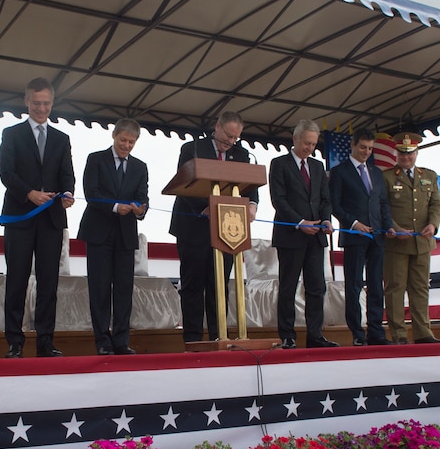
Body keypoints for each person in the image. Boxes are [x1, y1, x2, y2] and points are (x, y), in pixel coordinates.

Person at [0, 77, 75, 358]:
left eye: (46, 104)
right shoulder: (12, 134)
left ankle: (45, 341)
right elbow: (6, 172)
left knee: (48, 283)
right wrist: (29, 193)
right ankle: (15, 342)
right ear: (26, 101)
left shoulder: (61, 139)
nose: (41, 108)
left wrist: (67, 194)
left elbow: (67, 173)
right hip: (20, 217)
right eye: (36, 103)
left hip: (51, 221)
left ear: (52, 103)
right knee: (16, 281)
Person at [169, 111, 258, 343]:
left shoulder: (241, 154)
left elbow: (250, 185)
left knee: (219, 284)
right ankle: (194, 339)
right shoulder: (192, 149)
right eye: (227, 136)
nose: (230, 142)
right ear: (217, 127)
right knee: (193, 284)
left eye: (235, 138)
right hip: (193, 226)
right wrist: (206, 208)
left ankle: (220, 336)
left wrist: (252, 206)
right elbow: (185, 182)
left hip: (227, 230)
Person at [78, 118, 149, 355]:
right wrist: (115, 207)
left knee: (123, 290)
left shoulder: (140, 167)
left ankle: (121, 341)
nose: (127, 145)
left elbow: (142, 197)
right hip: (99, 232)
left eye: (132, 142)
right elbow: (92, 193)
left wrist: (140, 209)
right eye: (123, 140)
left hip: (126, 236)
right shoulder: (96, 159)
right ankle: (102, 342)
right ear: (114, 136)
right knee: (99, 289)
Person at [269, 120, 336, 349]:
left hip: (316, 237)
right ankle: (287, 336)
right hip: (291, 235)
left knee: (317, 287)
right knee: (288, 286)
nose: (310, 148)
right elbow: (278, 200)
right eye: (307, 143)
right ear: (295, 139)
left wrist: (326, 219)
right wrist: (299, 222)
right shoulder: (279, 164)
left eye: (314, 144)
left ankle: (315, 335)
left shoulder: (317, 167)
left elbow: (325, 199)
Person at [328, 130, 395, 346]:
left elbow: (382, 203)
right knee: (354, 286)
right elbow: (335, 205)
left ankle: (376, 332)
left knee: (376, 285)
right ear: (353, 145)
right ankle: (357, 332)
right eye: (363, 147)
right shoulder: (339, 172)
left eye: (370, 148)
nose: (366, 152)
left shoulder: (376, 173)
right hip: (354, 236)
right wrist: (354, 224)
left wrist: (387, 227)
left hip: (377, 238)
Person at [382, 132, 440, 345]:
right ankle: (399, 335)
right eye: (401, 153)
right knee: (395, 289)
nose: (405, 157)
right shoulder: (387, 177)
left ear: (417, 153)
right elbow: (382, 208)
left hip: (422, 242)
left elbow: (437, 204)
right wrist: (394, 227)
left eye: (409, 153)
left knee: (420, 288)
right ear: (396, 153)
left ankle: (423, 333)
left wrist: (433, 225)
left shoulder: (428, 175)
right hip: (396, 243)